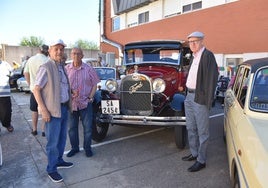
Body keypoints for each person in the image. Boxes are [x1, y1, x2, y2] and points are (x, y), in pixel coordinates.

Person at [33, 39, 73, 183]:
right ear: (49, 50)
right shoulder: (46, 67)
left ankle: (59, 160)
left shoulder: (61, 66)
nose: (59, 52)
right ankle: (51, 169)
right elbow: (36, 89)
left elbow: (60, 86)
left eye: (61, 49)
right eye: (56, 49)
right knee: (52, 142)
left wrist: (70, 92)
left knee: (62, 139)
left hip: (63, 108)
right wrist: (43, 110)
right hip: (52, 112)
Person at [182, 31, 219, 172]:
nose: (192, 44)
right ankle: (194, 153)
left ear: (202, 41)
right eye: (190, 42)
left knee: (202, 131)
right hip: (189, 96)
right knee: (190, 127)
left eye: (195, 41)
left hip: (200, 97)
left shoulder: (207, 55)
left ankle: (201, 160)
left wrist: (208, 100)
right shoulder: (194, 56)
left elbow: (212, 78)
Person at [65, 47, 100, 158]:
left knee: (88, 128)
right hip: (72, 104)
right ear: (71, 55)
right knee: (72, 128)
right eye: (74, 53)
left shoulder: (89, 69)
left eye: (78, 54)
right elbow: (63, 85)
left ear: (82, 56)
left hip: (85, 103)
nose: (76, 55)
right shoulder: (66, 69)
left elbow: (95, 84)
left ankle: (87, 148)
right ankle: (74, 148)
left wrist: (90, 97)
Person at [24, 44, 49, 136]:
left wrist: (30, 84)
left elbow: (26, 72)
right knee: (44, 109)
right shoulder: (47, 60)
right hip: (44, 90)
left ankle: (34, 129)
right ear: (47, 51)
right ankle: (43, 130)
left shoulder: (31, 60)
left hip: (34, 89)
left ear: (39, 50)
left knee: (34, 110)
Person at [0, 60, 14, 133]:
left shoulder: (5, 64)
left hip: (4, 93)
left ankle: (7, 124)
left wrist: (11, 79)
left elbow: (12, 73)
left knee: (6, 111)